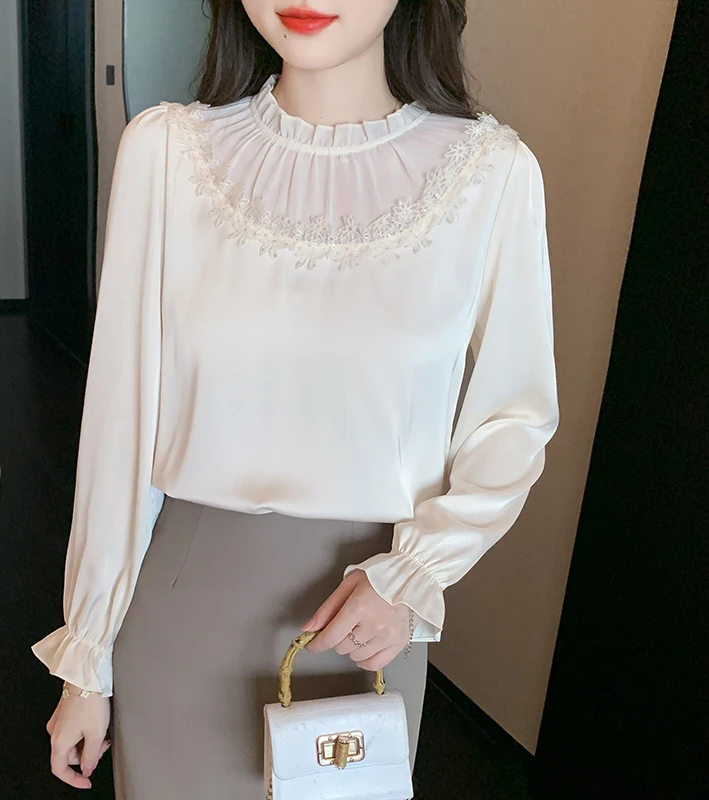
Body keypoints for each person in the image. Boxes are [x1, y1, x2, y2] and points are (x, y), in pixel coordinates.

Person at [31, 0, 560, 797]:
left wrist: (415, 573)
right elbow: (120, 428)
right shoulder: (166, 154)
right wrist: (88, 658)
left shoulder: (491, 174)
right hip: (182, 605)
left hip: (370, 621)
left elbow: (514, 420)